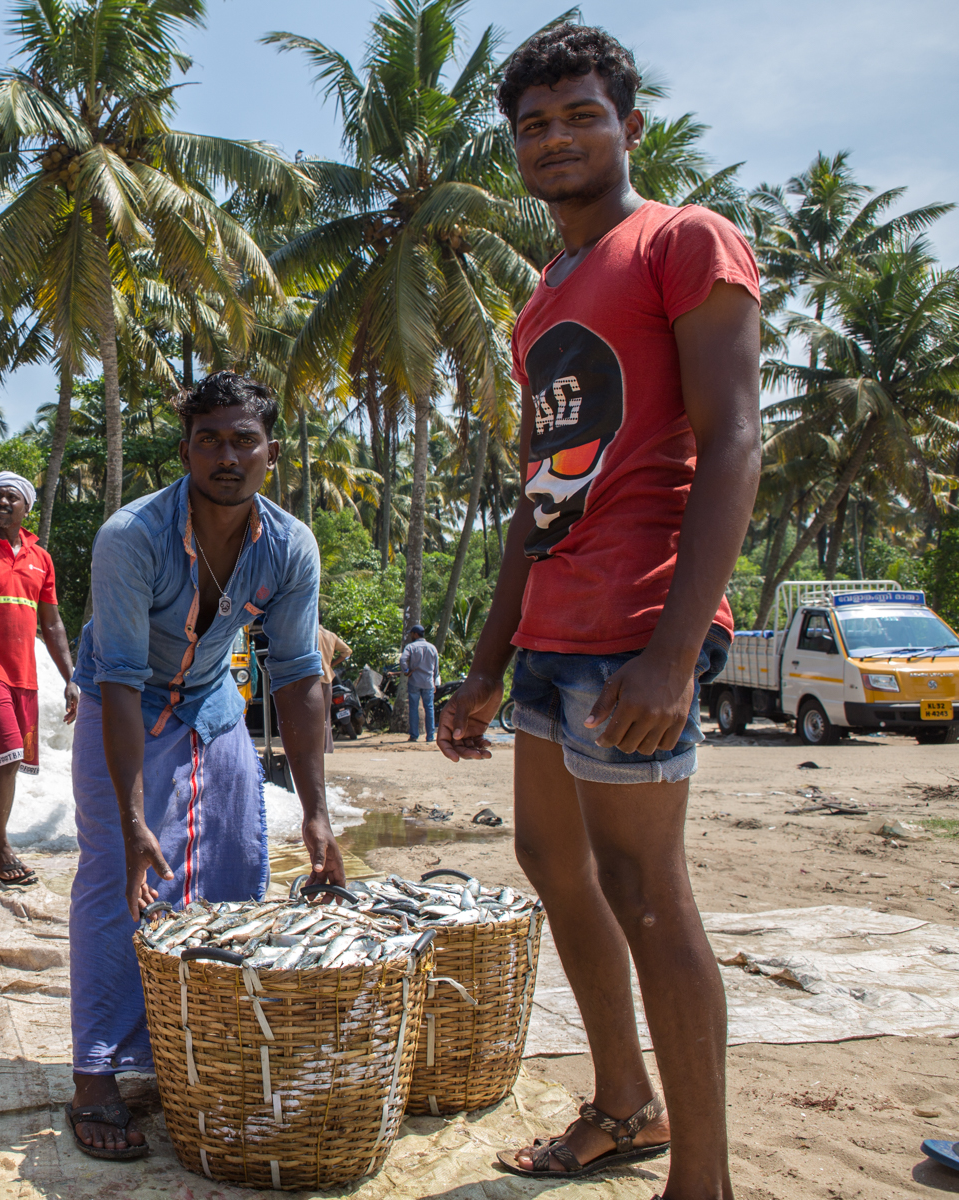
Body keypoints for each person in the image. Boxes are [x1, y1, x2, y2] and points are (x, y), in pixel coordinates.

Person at [436, 26, 760, 1200]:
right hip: (552, 632)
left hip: (638, 624)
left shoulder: (683, 240)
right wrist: (484, 663)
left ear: (630, 123)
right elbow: (541, 491)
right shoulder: (544, 300)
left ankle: (704, 1182)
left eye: (580, 115)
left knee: (645, 891)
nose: (556, 139)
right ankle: (625, 1106)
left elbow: (732, 441)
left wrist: (676, 651)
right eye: (533, 124)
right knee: (545, 857)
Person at [66, 371, 345, 1160]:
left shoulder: (289, 544)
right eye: (210, 440)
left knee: (234, 869)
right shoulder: (132, 536)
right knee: (120, 876)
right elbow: (118, 677)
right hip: (124, 703)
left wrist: (318, 812)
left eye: (243, 440)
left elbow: (295, 673)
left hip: (214, 702)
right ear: (186, 450)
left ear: (271, 453)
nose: (228, 455)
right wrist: (130, 819)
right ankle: (96, 1076)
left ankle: (196, 1055)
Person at [0, 471, 80, 887]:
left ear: (26, 508)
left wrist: (69, 677)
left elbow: (53, 623)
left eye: (12, 498)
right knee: (7, 750)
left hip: (23, 672)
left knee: (12, 761)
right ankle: (0, 847)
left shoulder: (40, 557)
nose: (2, 503)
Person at [399, 624, 440, 743]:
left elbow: (403, 659)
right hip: (428, 682)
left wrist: (406, 671)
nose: (411, 636)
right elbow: (436, 668)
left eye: (412, 633)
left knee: (413, 708)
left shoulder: (410, 647)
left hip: (415, 682)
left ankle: (414, 735)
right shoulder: (432, 648)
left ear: (415, 634)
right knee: (429, 708)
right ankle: (430, 736)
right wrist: (434, 681)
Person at [318, 624, 351, 751]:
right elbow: (347, 651)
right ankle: (327, 747)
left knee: (311, 714)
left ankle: (315, 748)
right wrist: (331, 664)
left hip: (312, 678)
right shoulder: (330, 635)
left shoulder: (308, 633)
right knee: (325, 714)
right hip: (327, 678)